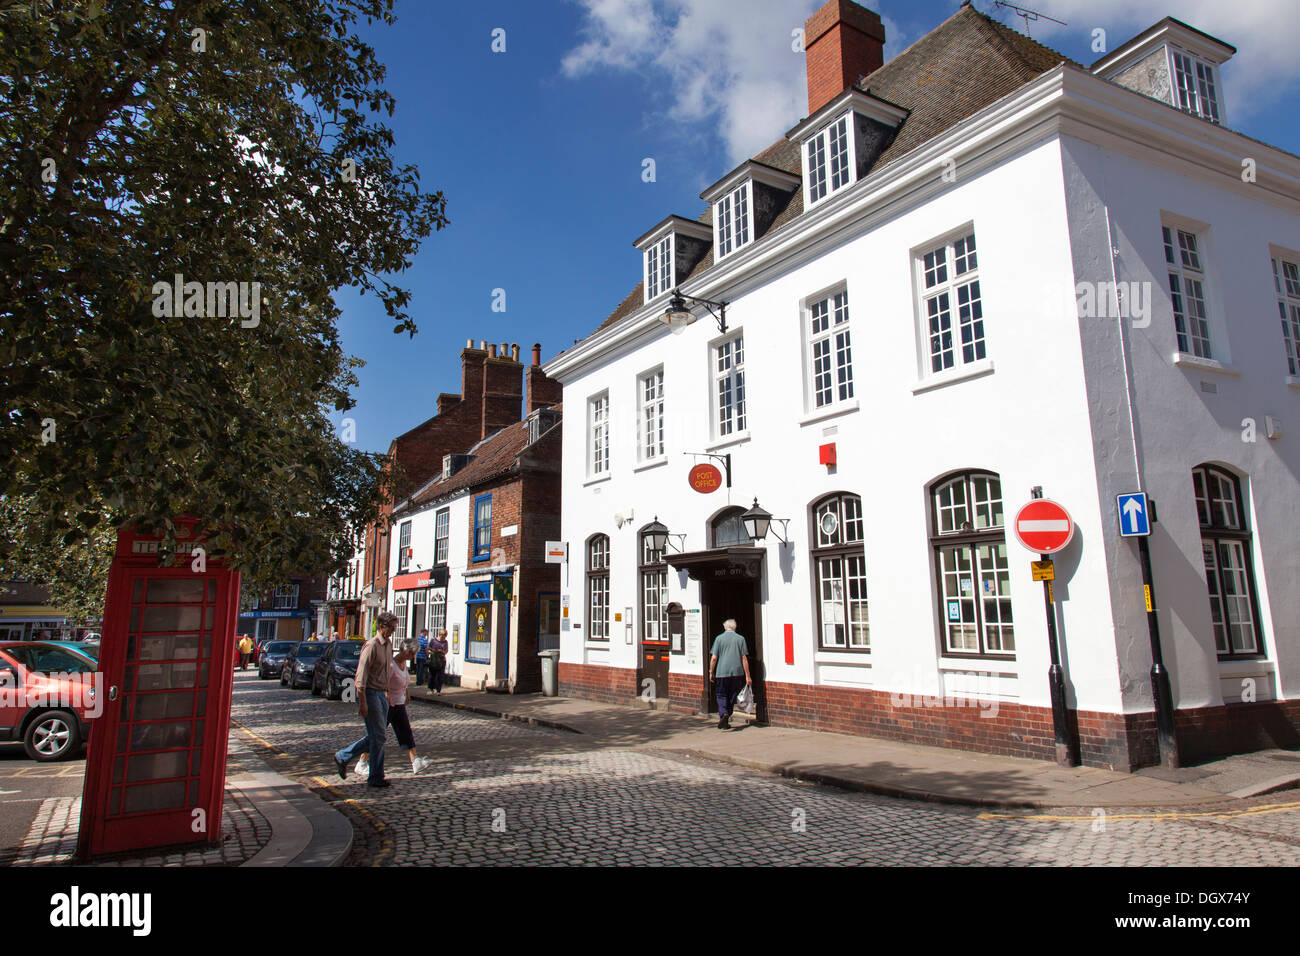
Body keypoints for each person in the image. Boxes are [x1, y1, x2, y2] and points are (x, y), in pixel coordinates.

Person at [333, 610, 397, 788]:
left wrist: (388, 694)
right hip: (370, 693)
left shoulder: (388, 645)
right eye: (391, 628)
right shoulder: (371, 646)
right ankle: (376, 777)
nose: (393, 631)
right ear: (382, 626)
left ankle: (343, 756)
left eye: (394, 628)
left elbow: (387, 673)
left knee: (378, 736)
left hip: (382, 693)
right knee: (379, 736)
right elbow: (360, 676)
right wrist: (362, 701)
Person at [357, 638, 429, 777]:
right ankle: (362, 762)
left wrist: (406, 693)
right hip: (387, 705)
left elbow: (404, 681)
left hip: (399, 704)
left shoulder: (403, 664)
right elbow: (383, 681)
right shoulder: (391, 665)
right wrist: (386, 694)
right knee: (377, 734)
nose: (414, 656)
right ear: (406, 651)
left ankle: (415, 761)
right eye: (412, 653)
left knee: (406, 732)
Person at [708, 619, 752, 730]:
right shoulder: (740, 639)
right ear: (735, 628)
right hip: (736, 673)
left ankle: (724, 713)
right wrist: (748, 676)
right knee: (732, 694)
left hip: (722, 672)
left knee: (721, 694)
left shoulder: (719, 638)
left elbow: (714, 658)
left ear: (725, 627)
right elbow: (744, 658)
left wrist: (711, 671)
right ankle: (727, 717)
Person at [427, 628, 449, 694]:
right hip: (434, 659)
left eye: (444, 636)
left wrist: (442, 651)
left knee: (440, 676)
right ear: (439, 634)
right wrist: (434, 651)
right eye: (442, 635)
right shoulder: (433, 640)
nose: (443, 637)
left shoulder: (445, 642)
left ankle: (438, 690)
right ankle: (431, 689)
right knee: (432, 675)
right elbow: (428, 648)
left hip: (441, 660)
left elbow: (446, 651)